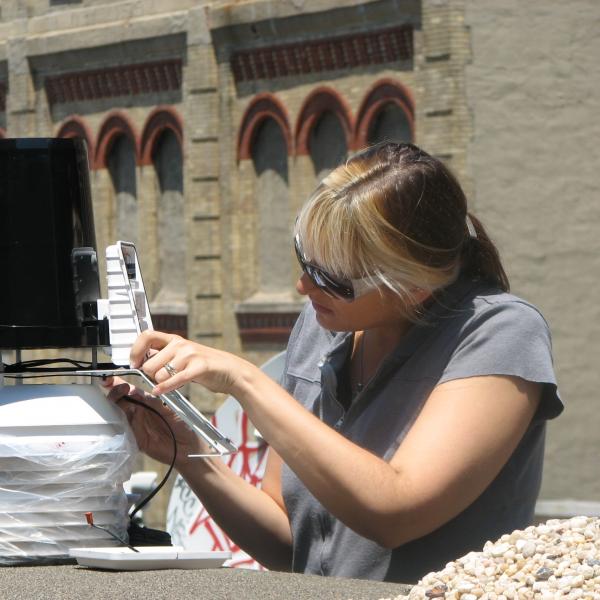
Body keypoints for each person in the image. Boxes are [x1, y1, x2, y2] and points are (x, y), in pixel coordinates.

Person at [104, 142, 562, 583]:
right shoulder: (323, 325)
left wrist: (245, 379)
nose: (304, 286)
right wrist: (186, 453)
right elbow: (292, 542)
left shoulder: (498, 334)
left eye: (330, 276)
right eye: (305, 260)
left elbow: (394, 512)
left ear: (412, 286)